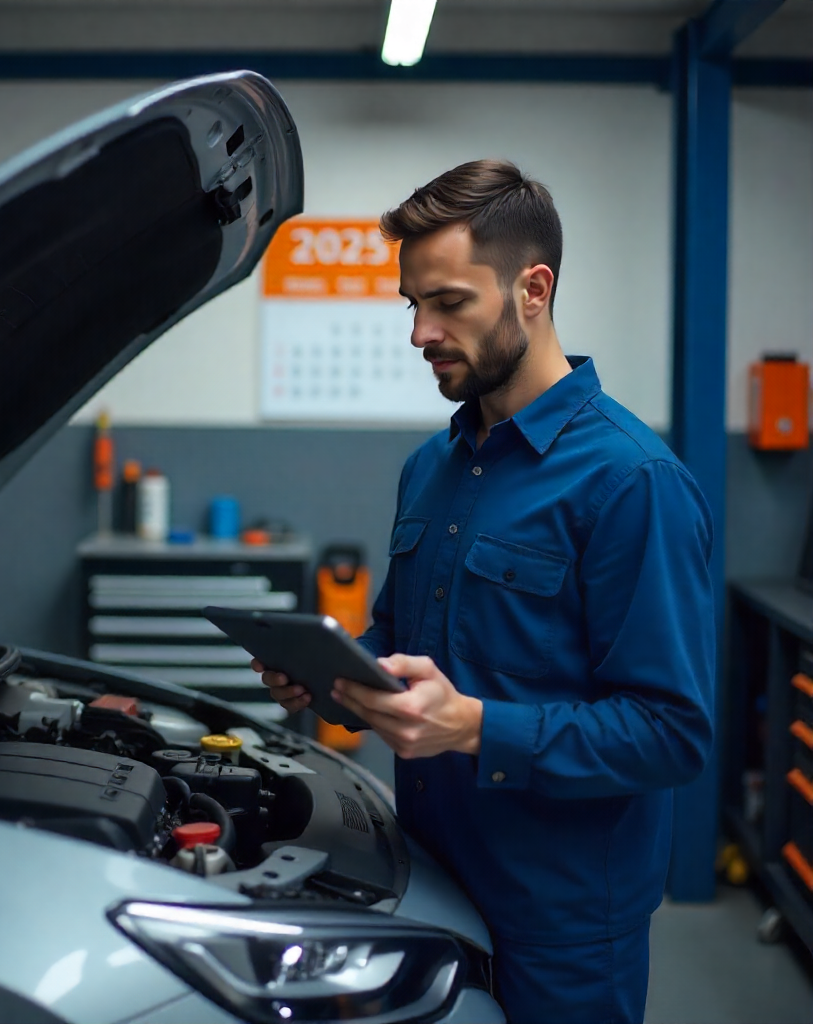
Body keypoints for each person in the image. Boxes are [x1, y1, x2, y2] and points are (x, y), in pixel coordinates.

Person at [253, 159, 716, 1024]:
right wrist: (333, 681)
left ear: (532, 289)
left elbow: (673, 734)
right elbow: (400, 655)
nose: (420, 331)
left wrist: (473, 725)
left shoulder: (633, 483)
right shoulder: (430, 468)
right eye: (411, 304)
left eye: (450, 303)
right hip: (425, 881)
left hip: (562, 929)